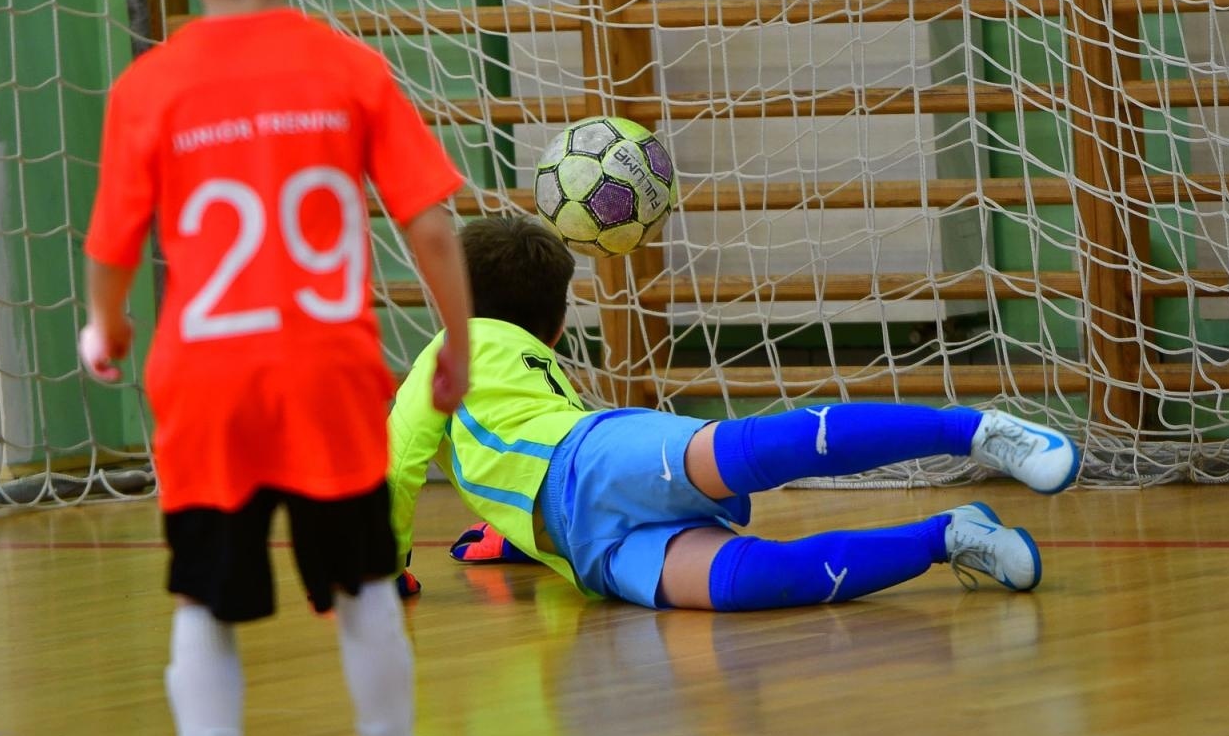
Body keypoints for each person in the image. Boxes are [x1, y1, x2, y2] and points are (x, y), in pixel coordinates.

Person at [78, 0, 471, 736]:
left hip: (205, 383)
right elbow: (428, 226)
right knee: (364, 585)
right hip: (327, 375)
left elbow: (111, 245)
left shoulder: (147, 88)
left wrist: (107, 325)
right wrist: (456, 344)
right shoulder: (351, 70)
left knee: (202, 601)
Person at [389, 214, 1081, 612]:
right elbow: (509, 455)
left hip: (592, 457)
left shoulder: (449, 349)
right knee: (756, 583)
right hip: (585, 549)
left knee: (759, 450)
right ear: (561, 327)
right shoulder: (523, 362)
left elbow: (396, 463)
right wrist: (515, 533)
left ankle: (978, 430)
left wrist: (386, 567)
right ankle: (950, 536)